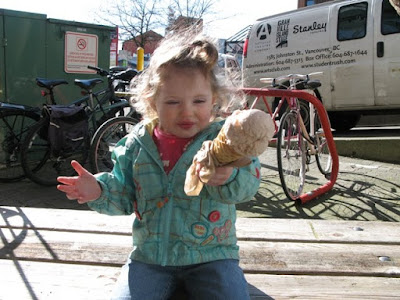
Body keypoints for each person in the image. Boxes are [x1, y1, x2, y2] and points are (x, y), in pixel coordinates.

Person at [57, 30, 261, 300]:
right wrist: (98, 189)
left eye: (198, 101)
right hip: (150, 257)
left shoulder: (224, 140)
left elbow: (249, 183)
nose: (186, 111)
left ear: (214, 99)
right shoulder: (137, 144)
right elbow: (124, 193)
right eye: (173, 102)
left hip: (212, 255)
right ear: (153, 102)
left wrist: (230, 177)